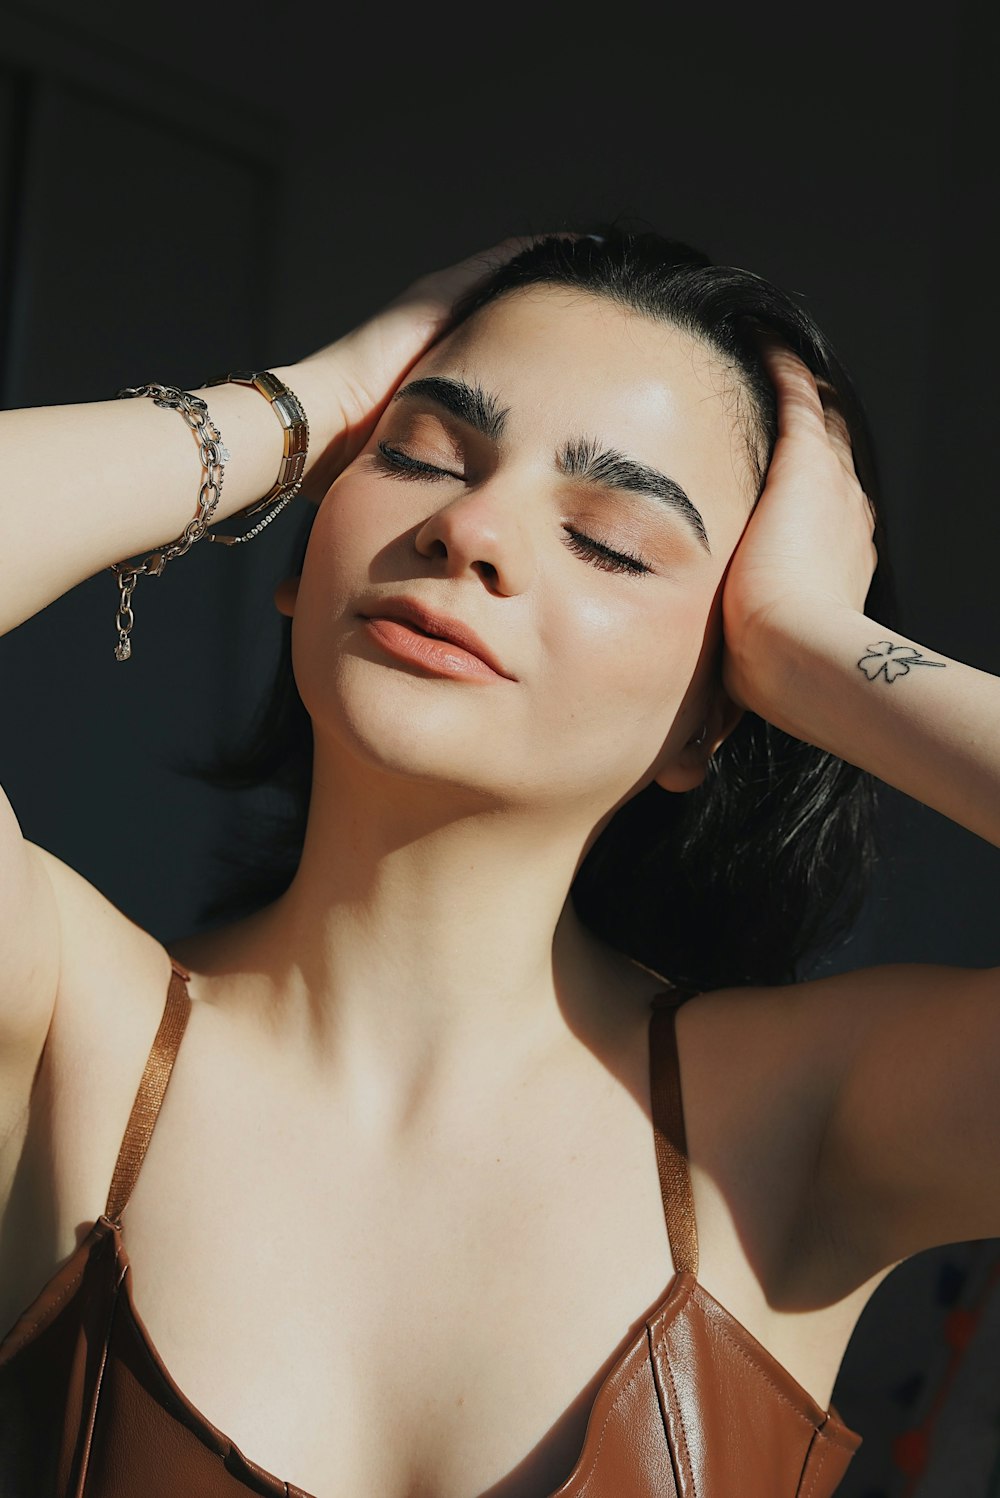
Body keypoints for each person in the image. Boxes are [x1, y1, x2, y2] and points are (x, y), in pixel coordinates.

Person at [0, 227, 996, 1498]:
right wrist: (303, 404)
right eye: (416, 455)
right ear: (302, 558)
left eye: (612, 540)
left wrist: (815, 647)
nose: (468, 527)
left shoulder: (802, 1125)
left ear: (718, 704)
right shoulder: (61, 1029)